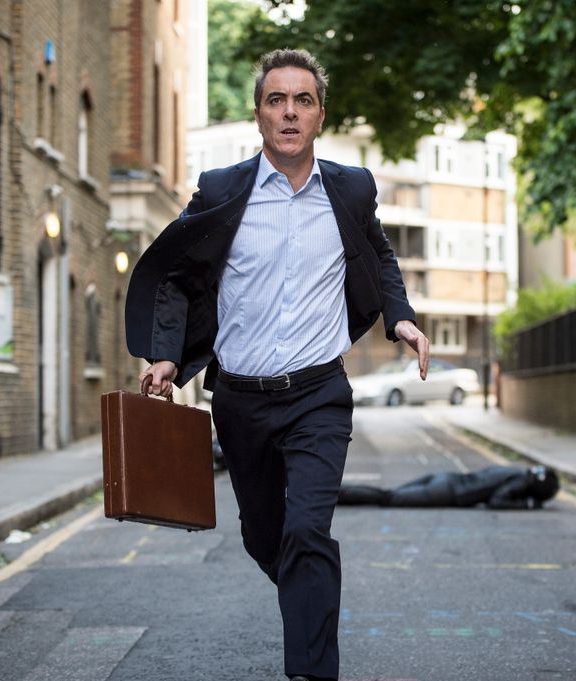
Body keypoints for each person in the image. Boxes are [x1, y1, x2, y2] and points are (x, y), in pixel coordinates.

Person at [124, 49, 429, 681]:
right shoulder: (220, 190)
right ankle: (309, 598)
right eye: (276, 100)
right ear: (259, 115)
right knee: (266, 538)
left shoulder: (350, 189)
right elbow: (177, 278)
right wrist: (164, 356)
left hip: (319, 393)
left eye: (303, 101)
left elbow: (379, 255)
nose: (289, 112)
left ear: (320, 115)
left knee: (307, 533)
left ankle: (312, 670)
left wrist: (399, 317)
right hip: (240, 400)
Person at [337, 465, 560, 510]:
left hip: (444, 478)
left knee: (390, 494)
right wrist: (528, 505)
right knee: (388, 498)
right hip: (446, 492)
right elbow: (497, 501)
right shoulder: (521, 482)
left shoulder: (516, 470)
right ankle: (339, 494)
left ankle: (339, 493)